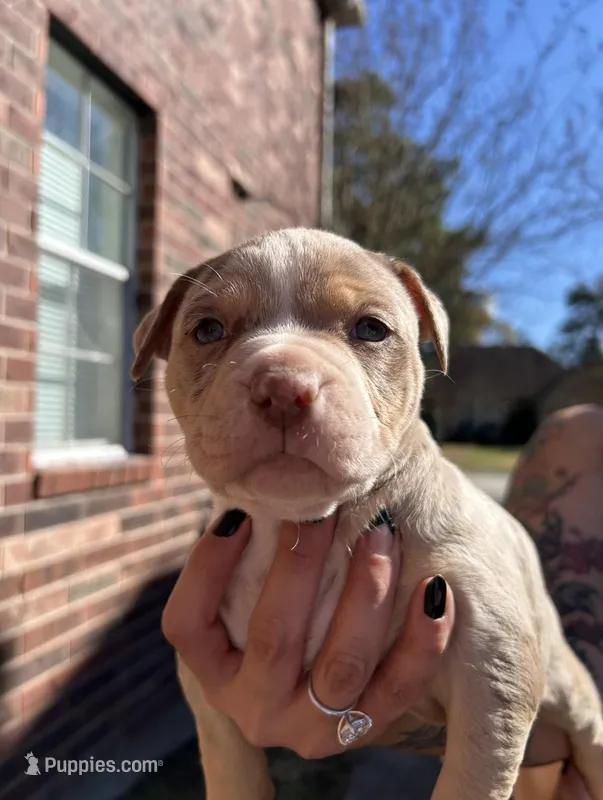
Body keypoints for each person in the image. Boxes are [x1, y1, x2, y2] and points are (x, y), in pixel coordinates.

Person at [163, 404, 603, 799]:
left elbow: (542, 694)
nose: (283, 388)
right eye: (210, 329)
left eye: (370, 328)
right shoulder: (581, 443)